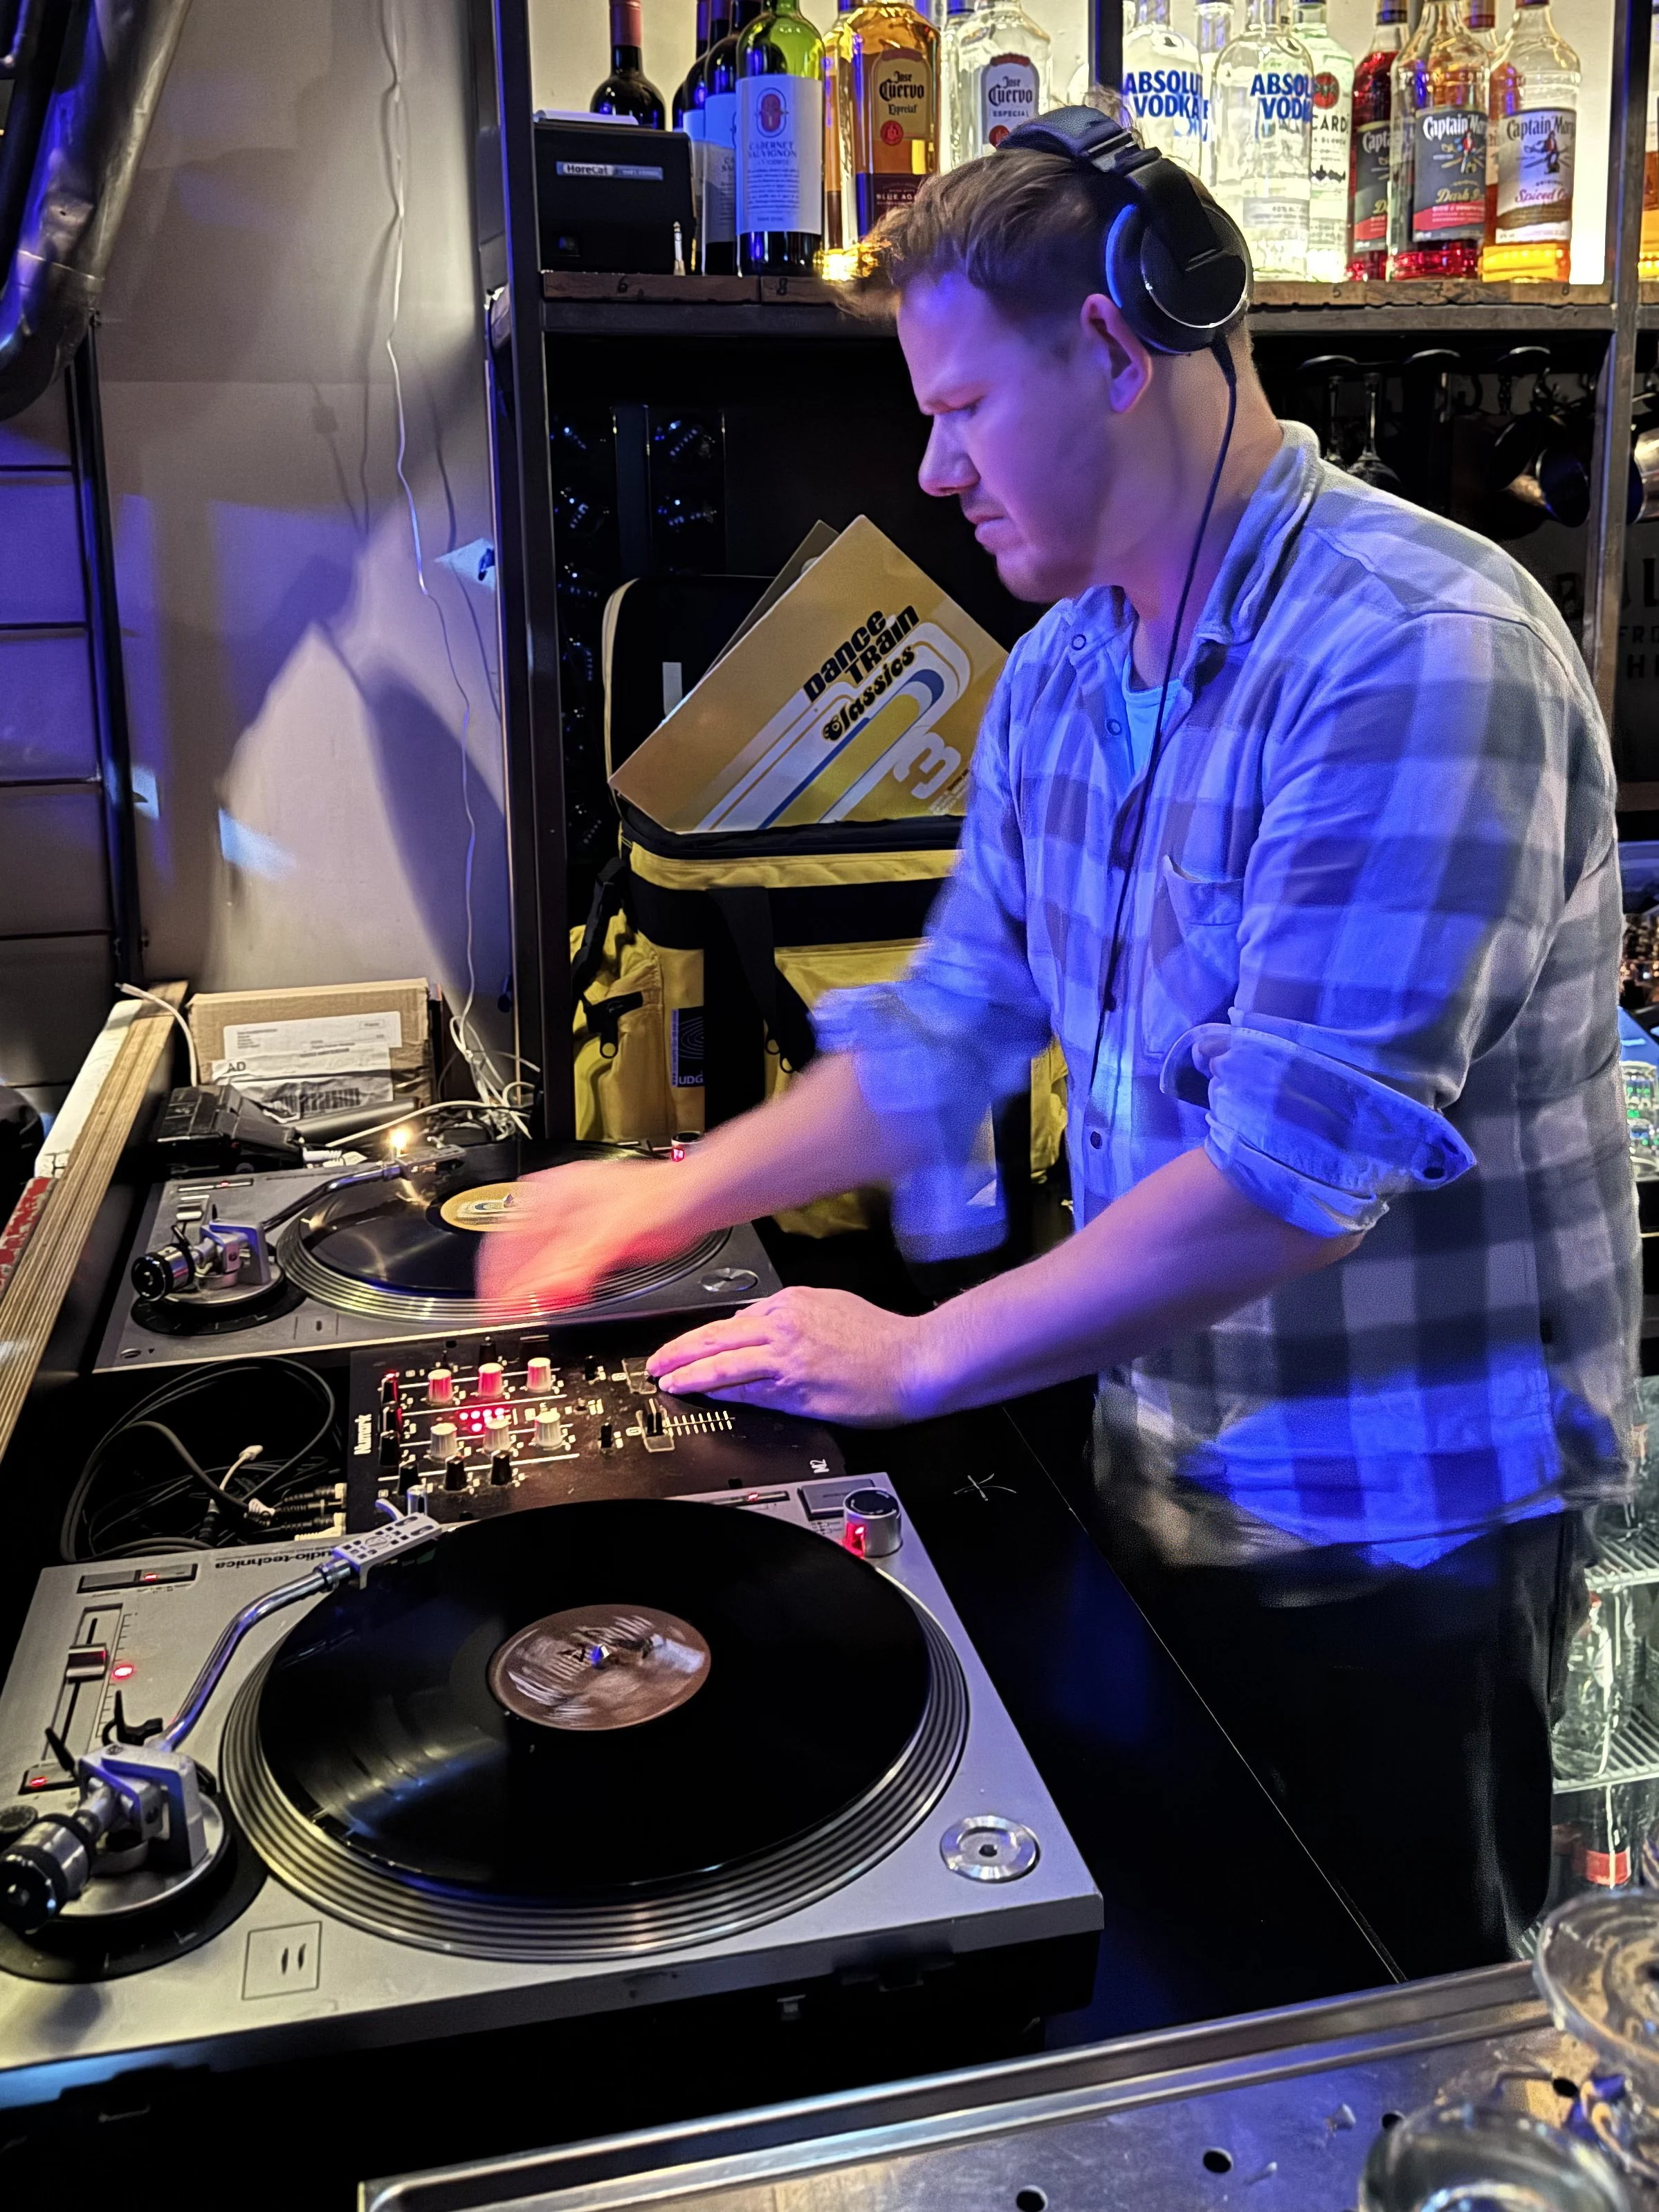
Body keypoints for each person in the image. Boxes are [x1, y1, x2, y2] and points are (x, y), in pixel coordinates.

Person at [482, 136, 1638, 1975]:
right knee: (1184, 2006)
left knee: (1382, 2039)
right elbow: (946, 1032)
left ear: (1110, 345)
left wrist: (920, 1354)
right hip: (1155, 1468)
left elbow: (1290, 1178)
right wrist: (660, 1199)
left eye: (956, 407)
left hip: (1400, 1538)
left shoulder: (1421, 652)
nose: (930, 469)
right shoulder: (1056, 677)